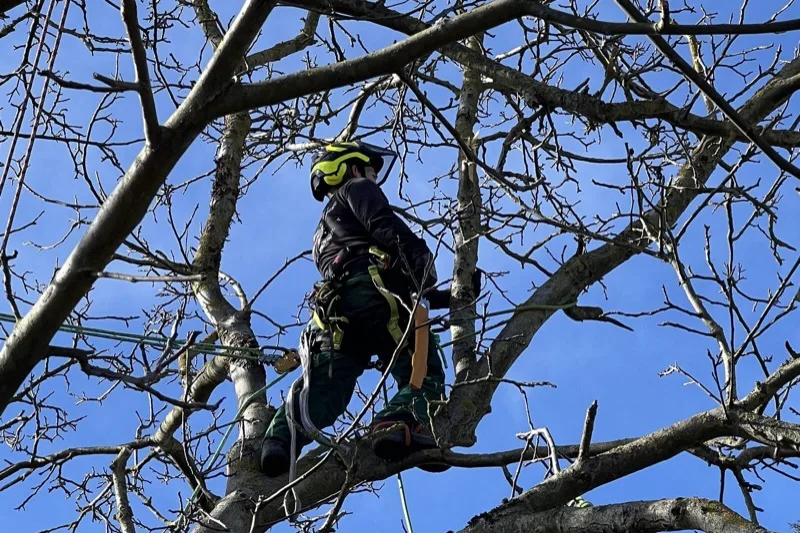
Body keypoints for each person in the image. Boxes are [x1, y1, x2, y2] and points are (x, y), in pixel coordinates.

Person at [260, 141, 469, 477]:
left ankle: (279, 441)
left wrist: (451, 297)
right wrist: (420, 257)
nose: (374, 177)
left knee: (329, 388)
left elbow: (367, 271)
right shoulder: (357, 188)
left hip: (337, 315)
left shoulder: (322, 232)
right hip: (378, 298)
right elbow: (383, 224)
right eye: (370, 170)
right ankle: (397, 423)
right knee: (421, 368)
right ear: (352, 168)